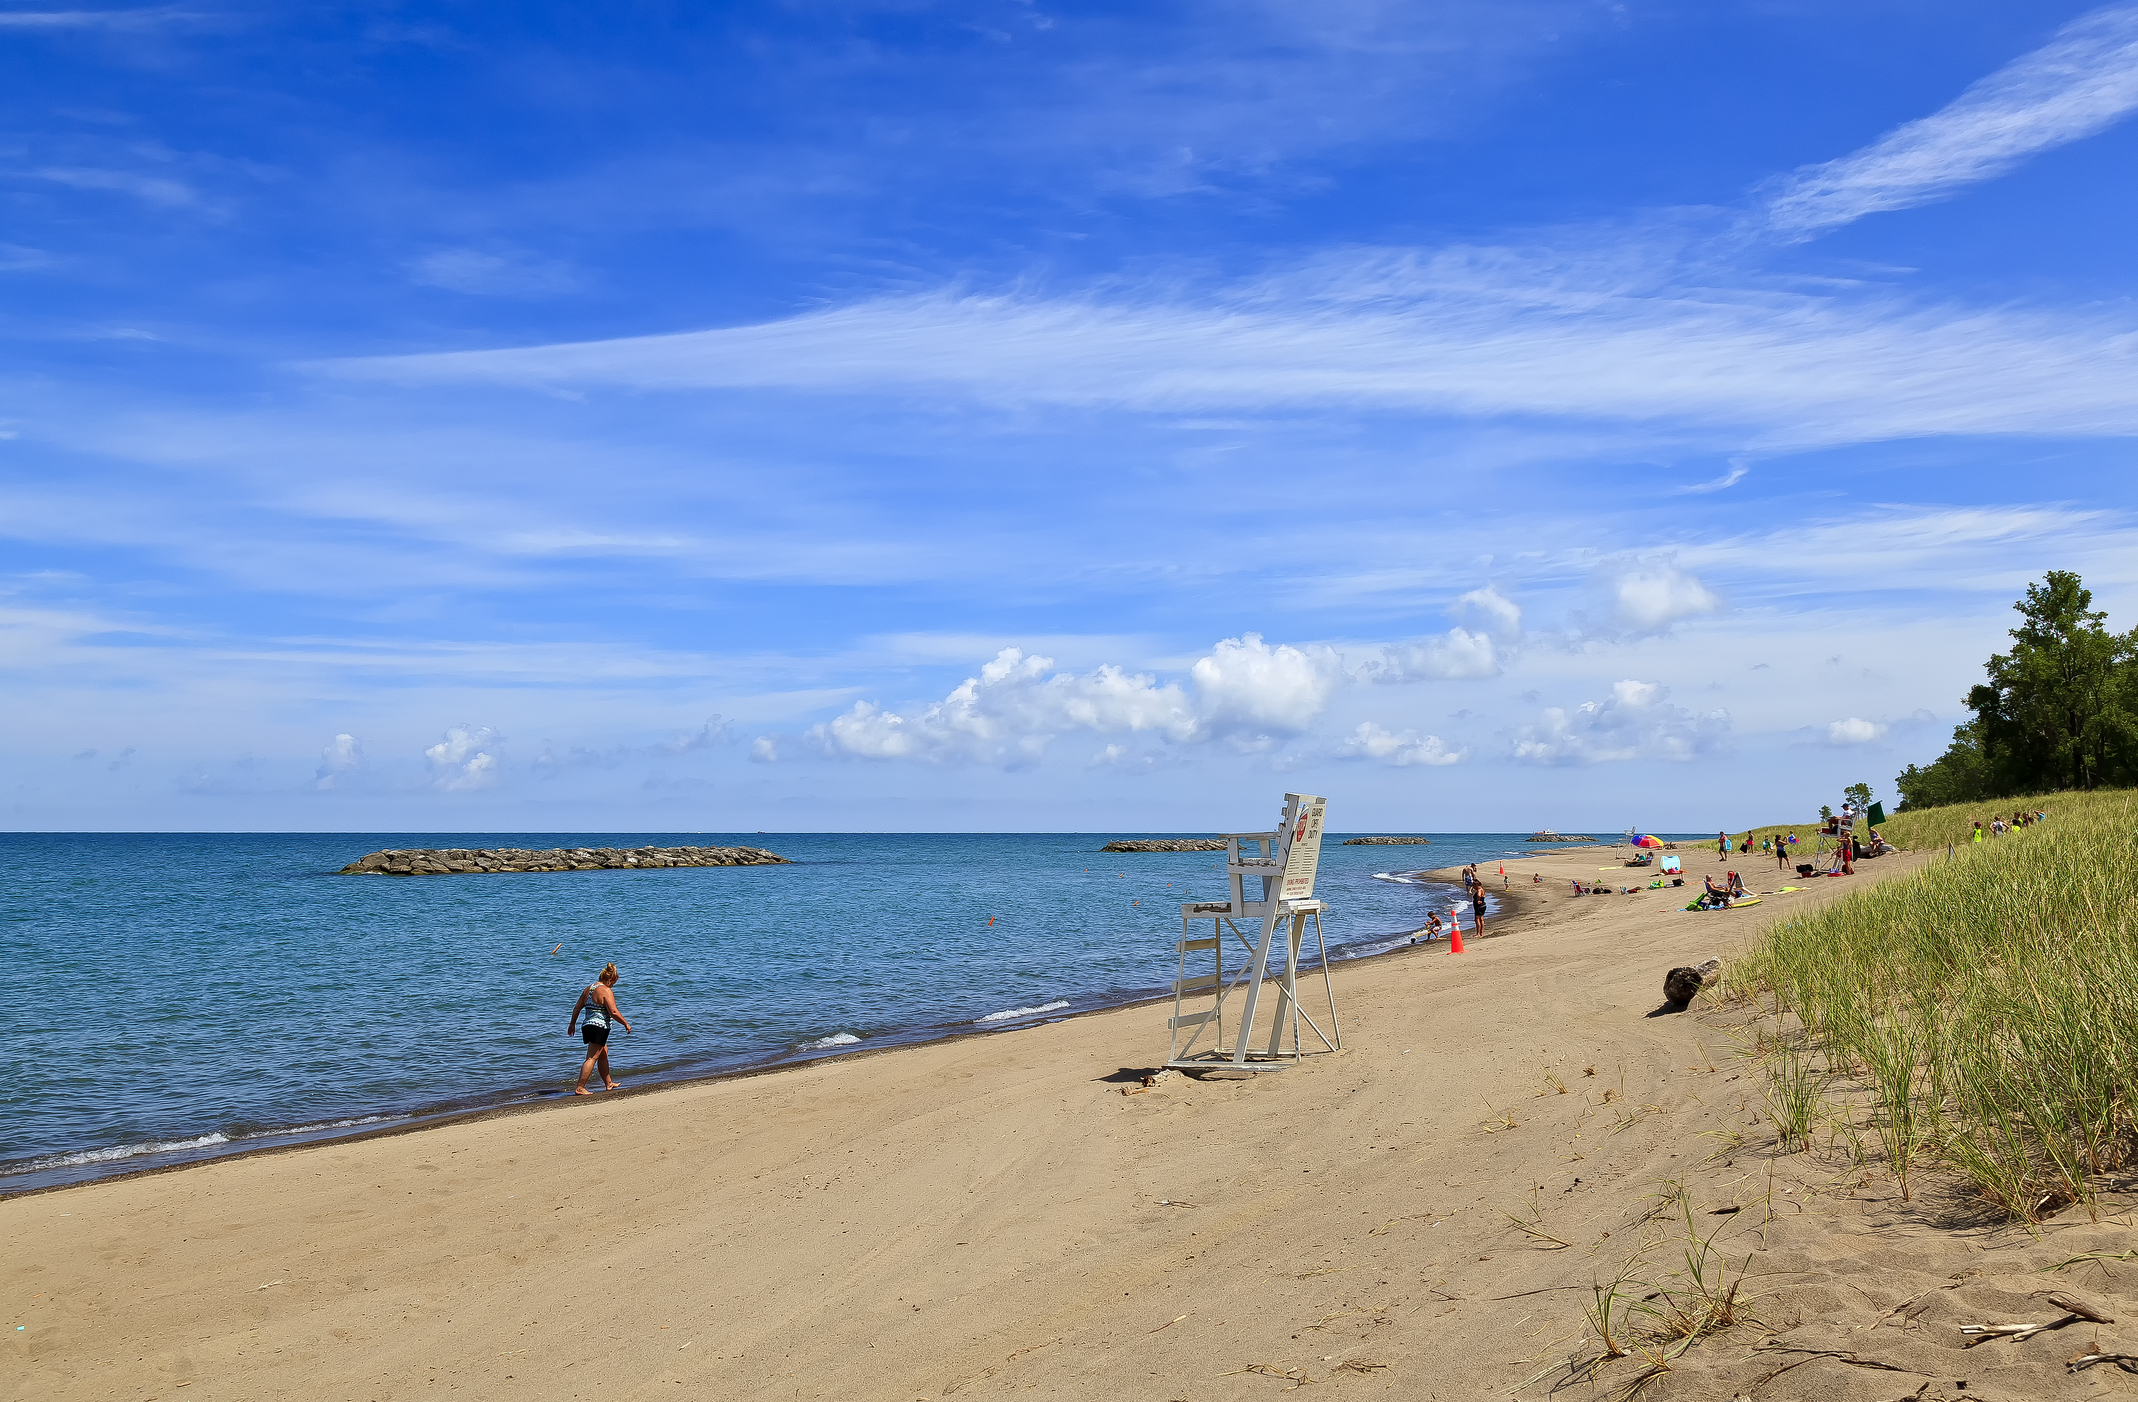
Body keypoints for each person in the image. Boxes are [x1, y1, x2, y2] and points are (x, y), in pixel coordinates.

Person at [567, 962, 633, 1095]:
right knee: (591, 1057)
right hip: (599, 1027)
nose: (613, 986)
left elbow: (577, 1007)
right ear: (609, 980)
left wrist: (572, 1024)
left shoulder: (588, 989)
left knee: (603, 1053)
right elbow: (613, 1012)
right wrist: (625, 1023)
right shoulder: (606, 990)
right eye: (613, 983)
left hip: (587, 1026)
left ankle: (608, 1083)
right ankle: (580, 1087)